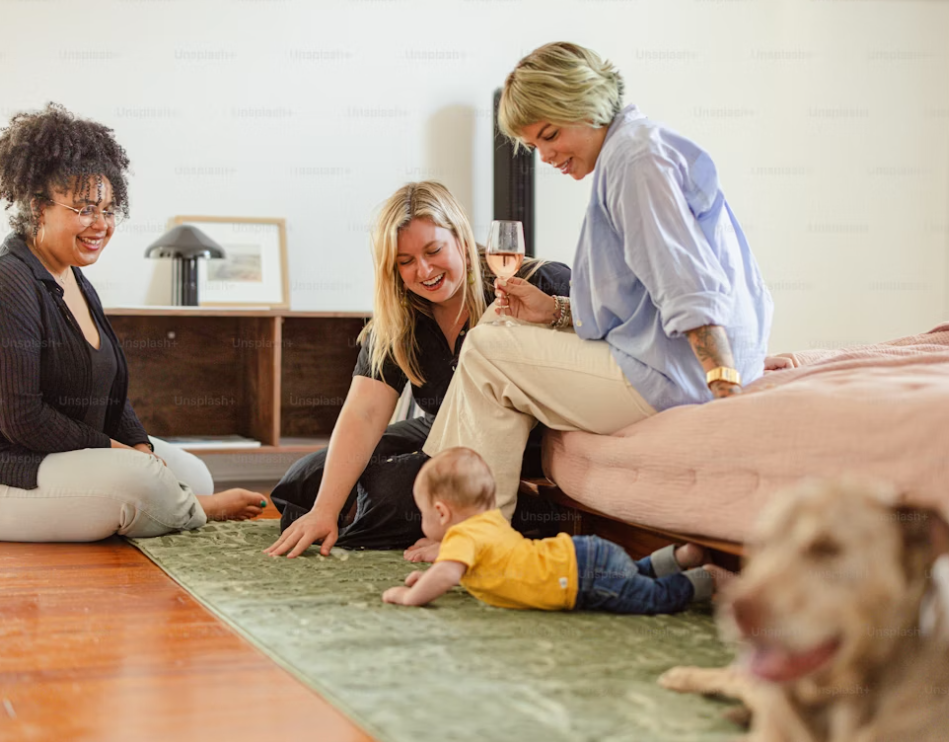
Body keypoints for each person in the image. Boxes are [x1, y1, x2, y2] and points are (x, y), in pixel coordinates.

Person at [421, 42, 776, 520]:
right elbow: (638, 301)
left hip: (679, 375)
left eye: (549, 135)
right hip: (672, 361)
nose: (545, 156)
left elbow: (687, 285)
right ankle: (464, 513)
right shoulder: (637, 147)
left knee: (486, 349)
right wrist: (553, 311)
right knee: (498, 332)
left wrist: (727, 394)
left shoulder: (634, 161)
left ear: (584, 104)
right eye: (534, 146)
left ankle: (465, 526)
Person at [0, 104, 266, 542]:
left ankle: (183, 503)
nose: (100, 225)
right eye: (85, 209)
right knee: (143, 484)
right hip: (11, 467)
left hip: (66, 454)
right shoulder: (7, 281)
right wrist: (120, 454)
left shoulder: (74, 278)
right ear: (38, 208)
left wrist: (138, 443)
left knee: (193, 474)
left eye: (108, 209)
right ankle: (199, 511)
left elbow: (109, 391)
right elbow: (23, 419)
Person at [264, 181, 570, 560]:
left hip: (511, 442)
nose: (423, 270)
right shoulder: (401, 315)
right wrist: (324, 508)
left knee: (386, 494)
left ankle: (521, 517)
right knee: (304, 479)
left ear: (459, 236)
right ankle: (349, 516)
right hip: (437, 428)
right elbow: (364, 411)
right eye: (405, 262)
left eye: (433, 250)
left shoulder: (535, 281)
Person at [382, 447, 733, 612]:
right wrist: (424, 579)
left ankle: (704, 578)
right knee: (633, 575)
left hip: (578, 578)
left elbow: (445, 573)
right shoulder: (489, 523)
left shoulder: (461, 537)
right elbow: (486, 571)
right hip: (584, 556)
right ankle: (680, 556)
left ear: (441, 512)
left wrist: (411, 595)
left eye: (423, 513)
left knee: (651, 598)